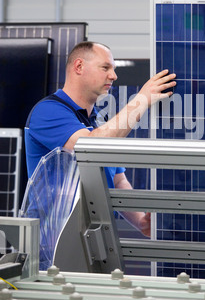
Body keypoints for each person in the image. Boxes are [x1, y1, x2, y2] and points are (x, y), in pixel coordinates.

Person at [24, 41, 176, 237]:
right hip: (53, 243)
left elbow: (118, 180)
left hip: (95, 240)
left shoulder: (98, 122)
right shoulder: (48, 111)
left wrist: (140, 221)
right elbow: (89, 146)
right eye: (105, 67)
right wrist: (142, 99)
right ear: (79, 66)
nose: (113, 75)